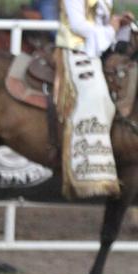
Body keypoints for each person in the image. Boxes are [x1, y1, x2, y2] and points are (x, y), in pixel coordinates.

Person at [55, 0, 132, 198]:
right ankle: (85, 167)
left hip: (95, 51)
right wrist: (110, 29)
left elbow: (101, 27)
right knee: (95, 94)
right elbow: (77, 25)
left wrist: (119, 25)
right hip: (75, 50)